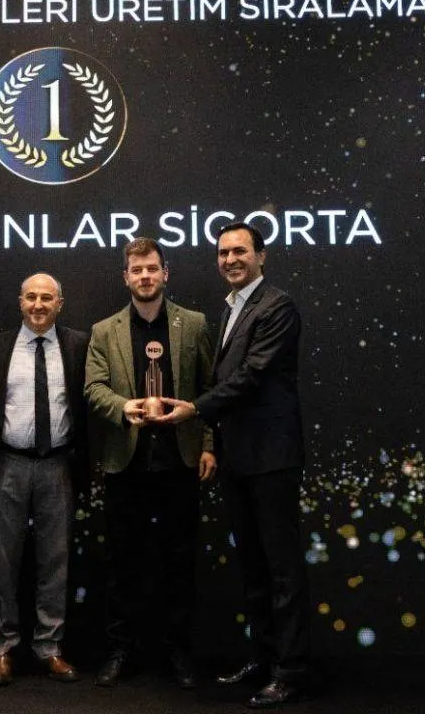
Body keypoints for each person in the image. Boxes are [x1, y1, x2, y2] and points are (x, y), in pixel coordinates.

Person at [155, 222, 311, 708]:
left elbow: (253, 374)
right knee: (254, 568)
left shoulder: (277, 306)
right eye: (223, 253)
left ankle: (291, 671)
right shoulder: (231, 308)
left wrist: (195, 408)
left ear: (261, 256)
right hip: (239, 458)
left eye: (240, 251)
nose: (230, 260)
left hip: (272, 458)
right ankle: (264, 659)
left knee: (282, 570)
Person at [84, 237, 216, 689]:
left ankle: (178, 652)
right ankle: (120, 650)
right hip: (127, 463)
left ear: (165, 273)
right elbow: (93, 388)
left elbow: (210, 391)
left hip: (180, 462)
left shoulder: (194, 324)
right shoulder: (105, 330)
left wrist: (209, 445)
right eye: (137, 270)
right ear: (126, 277)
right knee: (123, 563)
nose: (145, 276)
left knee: (179, 562)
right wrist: (123, 407)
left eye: (152, 268)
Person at [0, 273, 89, 686]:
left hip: (58, 465)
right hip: (8, 464)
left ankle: (49, 647)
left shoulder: (79, 345)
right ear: (20, 301)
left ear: (60, 303)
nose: (38, 305)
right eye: (31, 297)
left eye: (46, 297)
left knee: (55, 561)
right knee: (3, 560)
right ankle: (1, 649)